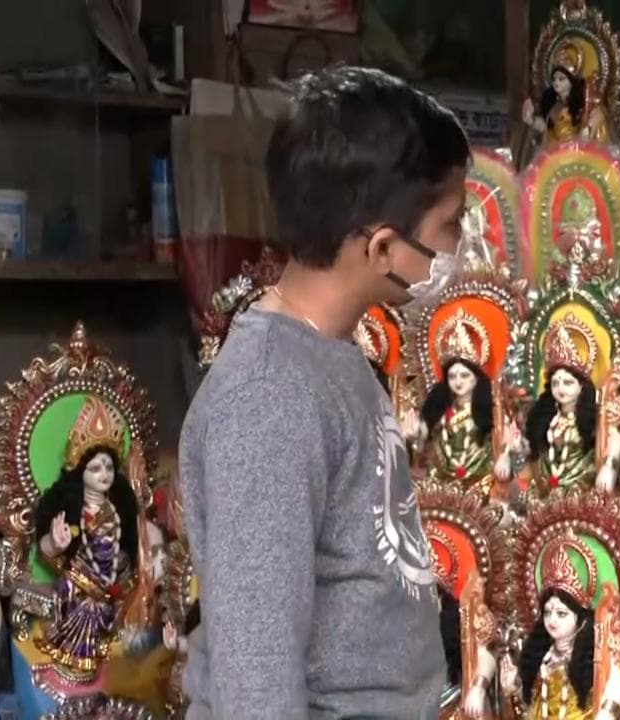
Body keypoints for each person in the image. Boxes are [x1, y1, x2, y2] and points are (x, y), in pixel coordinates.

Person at [178, 65, 471, 718]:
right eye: (451, 224)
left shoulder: (332, 354)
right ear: (385, 249)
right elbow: (257, 679)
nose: (461, 246)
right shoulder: (267, 399)